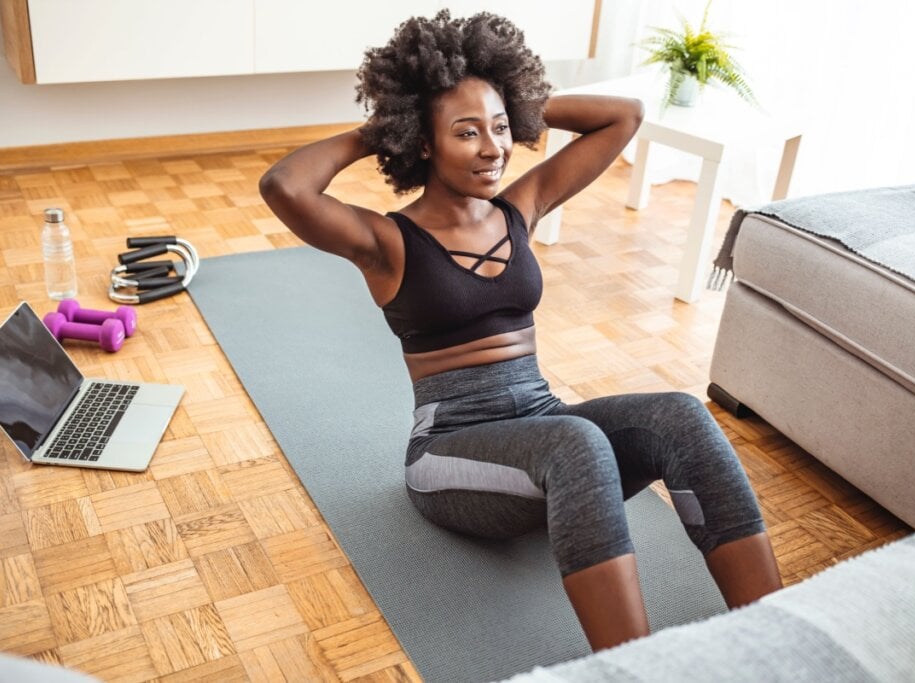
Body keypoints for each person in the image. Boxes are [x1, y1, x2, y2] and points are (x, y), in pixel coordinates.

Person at [260, 10, 782, 652]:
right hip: (449, 453)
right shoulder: (387, 242)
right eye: (465, 133)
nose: (493, 148)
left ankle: (775, 633)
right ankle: (637, 666)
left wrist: (513, 98)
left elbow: (624, 115)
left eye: (502, 129)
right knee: (575, 444)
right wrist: (388, 127)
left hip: (543, 429)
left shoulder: (519, 209)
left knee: (679, 416)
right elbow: (284, 184)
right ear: (424, 142)